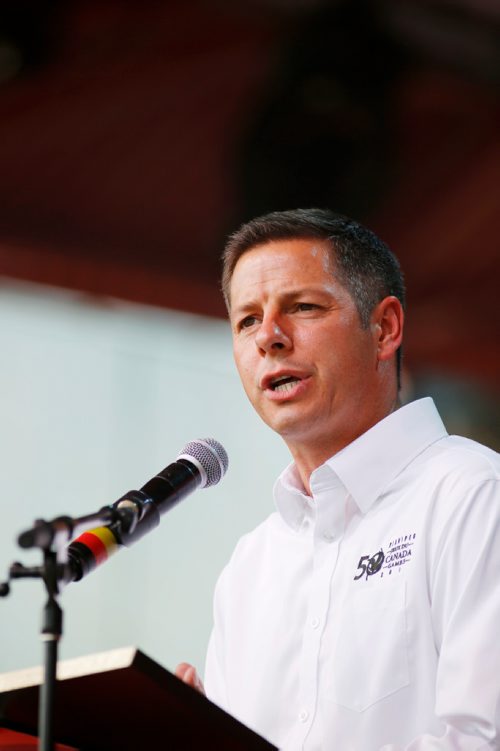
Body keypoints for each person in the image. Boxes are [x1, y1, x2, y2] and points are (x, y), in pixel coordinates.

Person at [176, 208, 500, 750]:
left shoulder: (473, 495)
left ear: (385, 327)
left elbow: (483, 738)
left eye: (302, 308)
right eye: (247, 320)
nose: (270, 338)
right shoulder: (251, 563)